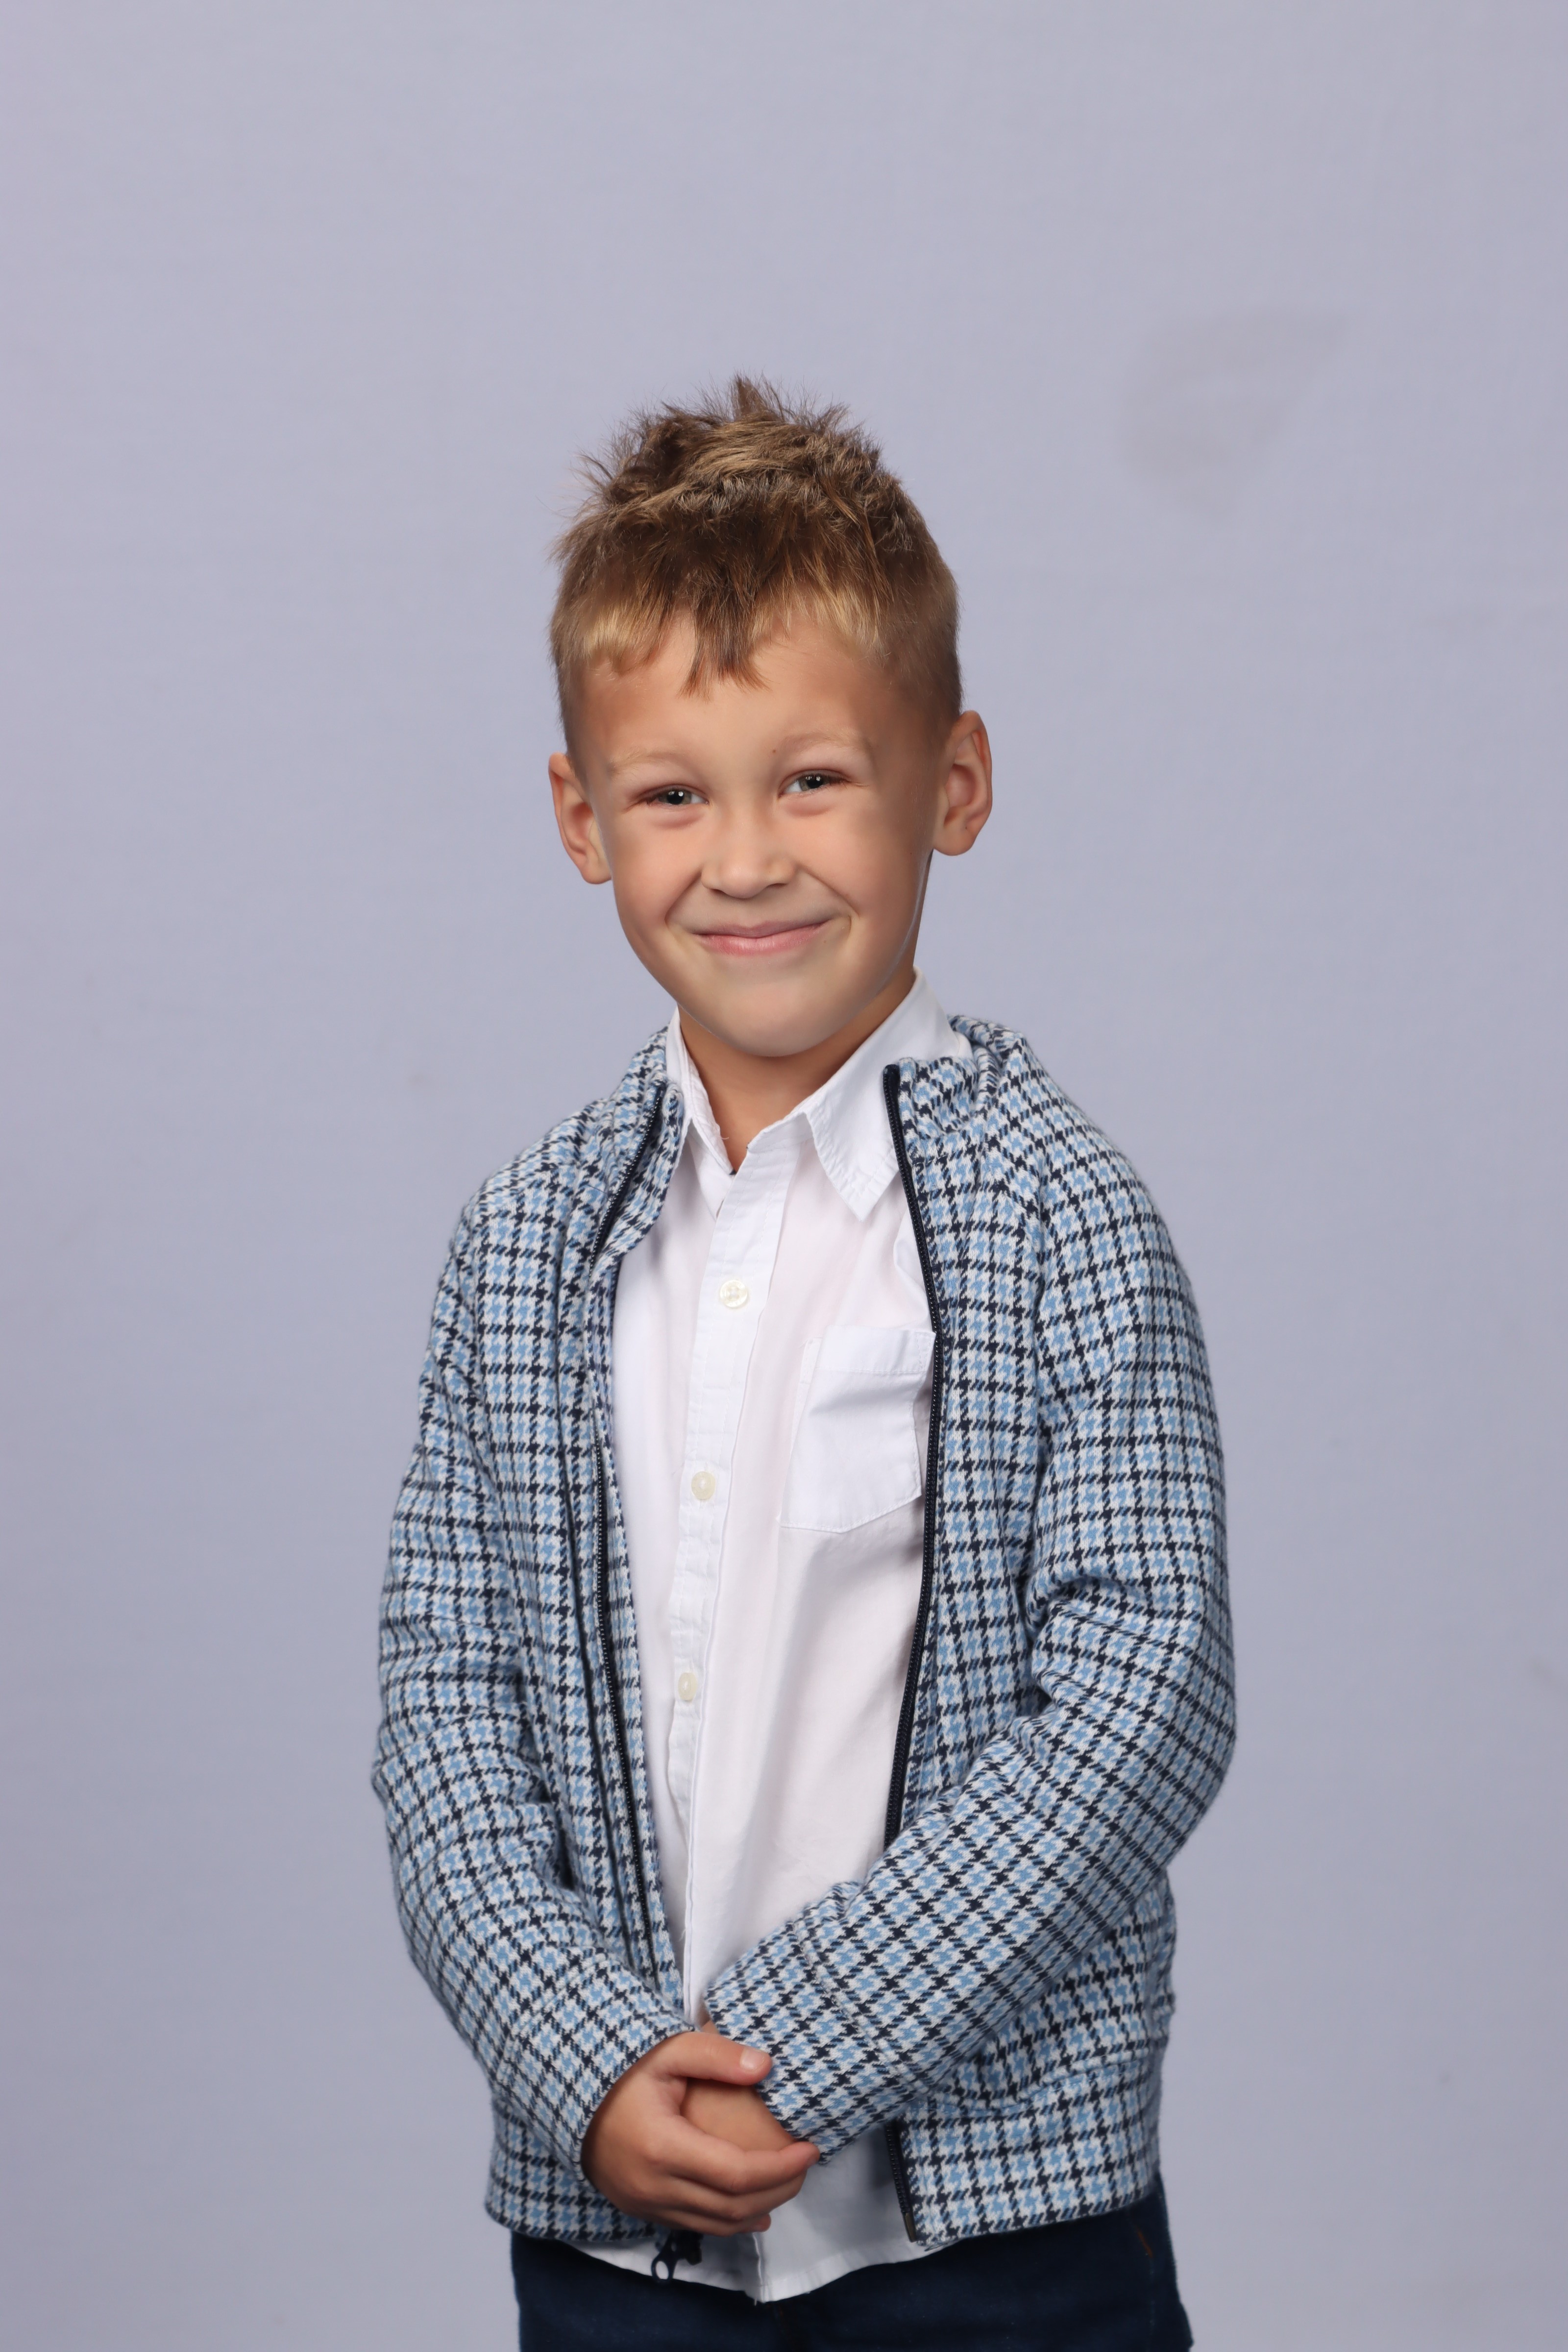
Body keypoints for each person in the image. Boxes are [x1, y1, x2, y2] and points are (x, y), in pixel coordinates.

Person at [373, 379, 1234, 2349]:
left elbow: (1144, 1690)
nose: (746, 858)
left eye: (816, 779)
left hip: (1001, 2248)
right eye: (674, 795)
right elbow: (444, 1706)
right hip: (623, 2228)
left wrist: (795, 2048)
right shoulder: (521, 1244)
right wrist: (591, 2059)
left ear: (954, 783)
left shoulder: (1056, 1218)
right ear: (583, 820)